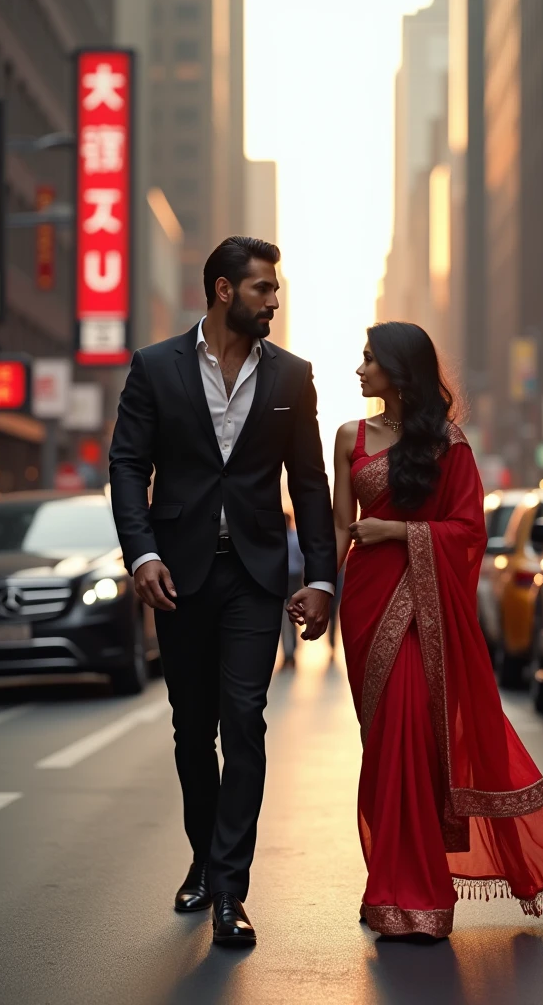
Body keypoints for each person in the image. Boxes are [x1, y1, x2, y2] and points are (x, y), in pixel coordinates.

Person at [109, 236, 336, 947]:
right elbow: (126, 466)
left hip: (252, 575)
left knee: (245, 718)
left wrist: (322, 576)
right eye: (264, 288)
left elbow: (309, 480)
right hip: (177, 573)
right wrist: (141, 553)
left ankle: (230, 891)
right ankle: (204, 858)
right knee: (192, 727)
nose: (275, 300)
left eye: (275, 289)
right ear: (222, 291)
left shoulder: (292, 377)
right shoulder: (154, 368)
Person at [326, 322, 543, 940]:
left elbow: (470, 532)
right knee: (383, 742)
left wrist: (397, 533)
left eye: (368, 360)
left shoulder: (448, 444)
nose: (358, 371)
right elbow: (339, 528)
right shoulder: (347, 436)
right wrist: (315, 589)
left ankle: (412, 892)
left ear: (398, 368)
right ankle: (385, 880)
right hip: (365, 605)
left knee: (414, 736)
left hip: (423, 607)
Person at [281, 512, 305, 667]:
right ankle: (290, 652)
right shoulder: (295, 538)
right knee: (290, 617)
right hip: (291, 579)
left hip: (290, 579)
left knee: (289, 617)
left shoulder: (291, 538)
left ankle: (290, 652)